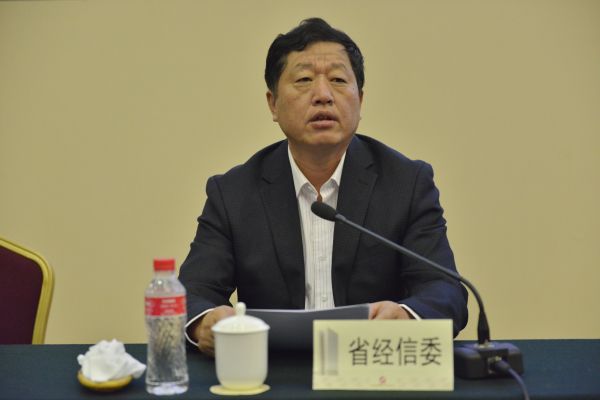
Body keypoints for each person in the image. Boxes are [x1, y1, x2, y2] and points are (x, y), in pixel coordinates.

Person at [179, 17, 468, 356]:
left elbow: (444, 290)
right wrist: (205, 323)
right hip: (271, 370)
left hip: (371, 367)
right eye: (304, 80)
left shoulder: (407, 183)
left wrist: (406, 316)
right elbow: (191, 293)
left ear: (360, 100)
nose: (323, 95)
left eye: (338, 80)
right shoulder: (233, 193)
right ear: (273, 103)